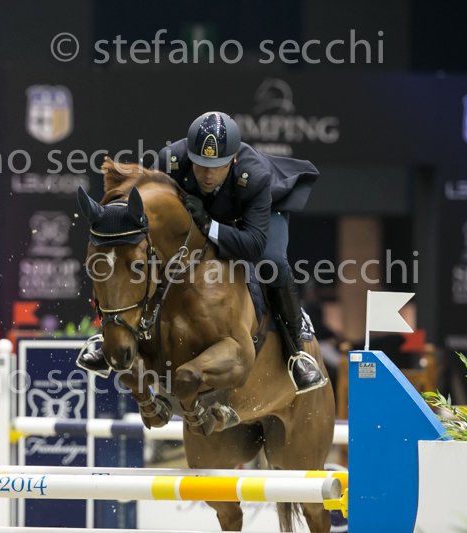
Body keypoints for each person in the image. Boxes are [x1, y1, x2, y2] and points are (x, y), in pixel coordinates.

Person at [78, 111, 327, 394]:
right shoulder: (170, 160)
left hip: (254, 218)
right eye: (201, 165)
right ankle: (107, 335)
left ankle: (296, 351)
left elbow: (253, 244)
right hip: (199, 214)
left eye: (217, 166)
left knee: (273, 263)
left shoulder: (255, 176)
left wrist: (209, 225)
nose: (208, 175)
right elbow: (142, 213)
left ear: (233, 159)